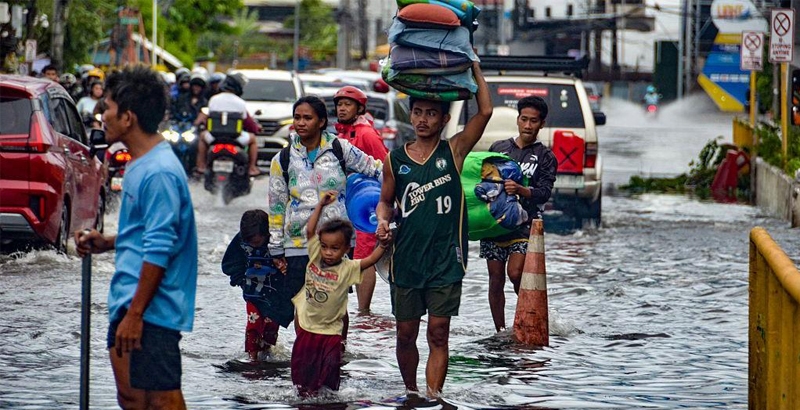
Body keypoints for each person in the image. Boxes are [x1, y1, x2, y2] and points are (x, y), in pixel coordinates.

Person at [74, 65, 198, 410]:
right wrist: (110, 241)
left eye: (109, 108)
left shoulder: (158, 171)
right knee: (132, 398)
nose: (103, 115)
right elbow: (149, 231)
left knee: (160, 400)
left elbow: (161, 246)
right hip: (132, 299)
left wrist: (135, 314)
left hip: (150, 308)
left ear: (128, 117)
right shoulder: (141, 163)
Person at [375, 61, 492, 398]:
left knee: (439, 333)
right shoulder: (395, 160)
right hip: (407, 259)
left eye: (431, 113)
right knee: (405, 335)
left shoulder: (453, 151)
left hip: (446, 258)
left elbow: (485, 111)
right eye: (417, 112)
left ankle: (433, 397)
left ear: (444, 120)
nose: (423, 119)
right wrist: (383, 221)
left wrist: (475, 68)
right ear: (410, 116)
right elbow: (385, 202)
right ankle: (411, 393)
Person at [266, 96, 382, 336]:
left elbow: (376, 169)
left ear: (321, 122)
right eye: (297, 117)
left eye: (307, 118)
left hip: (337, 242)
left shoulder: (340, 148)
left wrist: (390, 201)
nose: (301, 123)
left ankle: (338, 351)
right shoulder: (283, 159)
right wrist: (276, 247)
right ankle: (305, 351)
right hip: (298, 243)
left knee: (337, 299)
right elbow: (277, 207)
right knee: (302, 301)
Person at [291, 191, 387, 396]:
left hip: (332, 333)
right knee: (302, 378)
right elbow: (310, 231)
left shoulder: (348, 268)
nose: (328, 252)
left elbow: (369, 261)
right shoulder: (315, 255)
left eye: (334, 248)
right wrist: (320, 205)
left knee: (330, 377)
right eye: (325, 246)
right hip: (308, 329)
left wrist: (383, 244)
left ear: (345, 249)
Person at [480, 96, 557, 333]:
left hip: (526, 226)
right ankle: (501, 331)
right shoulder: (499, 148)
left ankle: (531, 318)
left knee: (515, 273)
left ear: (541, 124)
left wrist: (522, 190)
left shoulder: (545, 157)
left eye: (534, 121)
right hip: (495, 224)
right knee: (495, 278)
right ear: (517, 120)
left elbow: (544, 192)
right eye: (524, 119)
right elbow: (485, 181)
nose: (528, 125)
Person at [333, 85, 388, 313]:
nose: (342, 108)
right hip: (348, 204)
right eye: (339, 104)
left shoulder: (366, 133)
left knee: (365, 257)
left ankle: (364, 311)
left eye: (347, 104)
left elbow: (386, 166)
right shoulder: (342, 133)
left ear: (359, 108)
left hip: (367, 205)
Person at [221, 209, 293, 362]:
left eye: (256, 242)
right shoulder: (241, 241)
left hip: (277, 295)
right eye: (250, 242)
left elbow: (292, 262)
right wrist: (240, 280)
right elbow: (230, 262)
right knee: (253, 325)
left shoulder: (278, 241)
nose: (252, 245)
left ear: (266, 234)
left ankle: (266, 353)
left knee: (270, 327)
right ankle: (253, 358)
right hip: (254, 292)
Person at [194, 71, 262, 177]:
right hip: (236, 138)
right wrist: (256, 129)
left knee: (202, 137)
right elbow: (249, 124)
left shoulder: (213, 99)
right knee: (253, 140)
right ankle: (252, 167)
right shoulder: (240, 102)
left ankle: (201, 165)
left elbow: (208, 120)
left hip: (214, 137)